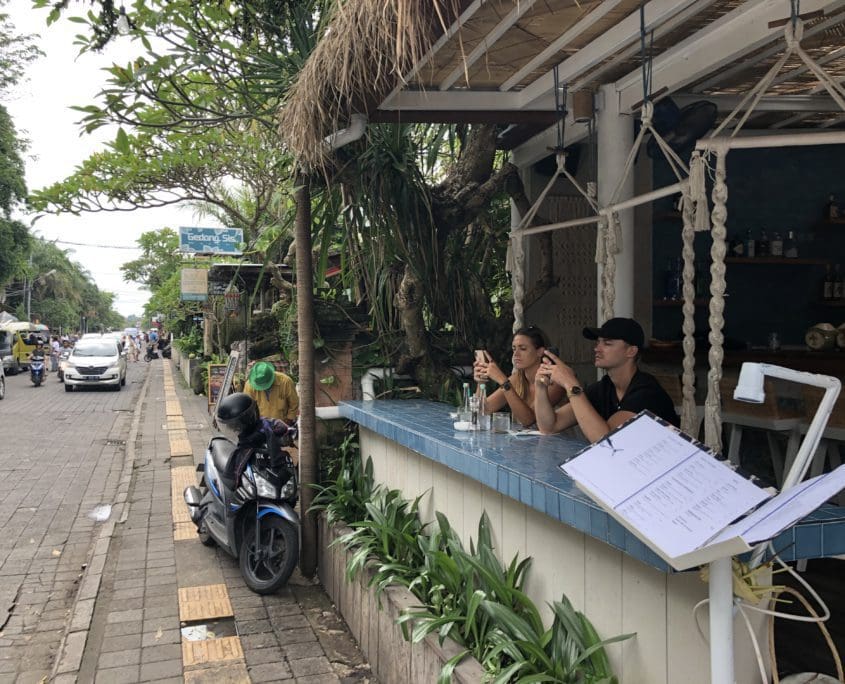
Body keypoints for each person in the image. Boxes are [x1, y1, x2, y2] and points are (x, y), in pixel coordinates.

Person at [535, 317, 679, 442]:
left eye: (607, 343)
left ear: (631, 351)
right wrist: (540, 388)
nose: (597, 348)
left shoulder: (647, 392)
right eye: (598, 343)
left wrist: (570, 384)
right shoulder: (604, 388)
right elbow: (549, 426)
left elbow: (606, 441)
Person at [473, 326, 565, 427]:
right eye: (514, 349)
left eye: (523, 349)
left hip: (562, 441)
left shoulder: (555, 381)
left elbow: (529, 420)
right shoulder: (518, 378)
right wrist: (481, 382)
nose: (516, 354)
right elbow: (483, 410)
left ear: (540, 352)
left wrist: (503, 381)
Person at [243, 361, 299, 425]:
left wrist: (289, 420)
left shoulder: (286, 381)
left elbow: (294, 403)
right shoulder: (249, 385)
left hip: (283, 423)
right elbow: (247, 408)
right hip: (260, 425)